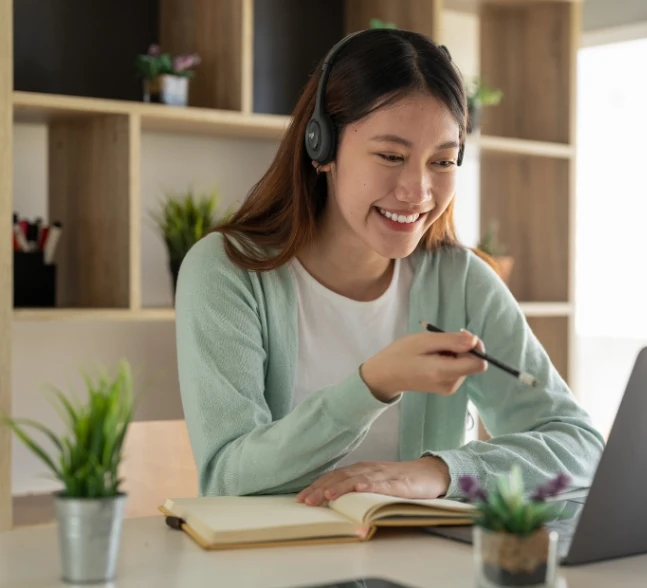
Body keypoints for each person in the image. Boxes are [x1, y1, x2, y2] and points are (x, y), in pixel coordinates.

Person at [173, 27, 605, 507]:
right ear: (322, 148)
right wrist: (373, 384)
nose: (418, 191)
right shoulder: (227, 273)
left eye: (442, 162)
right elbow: (228, 479)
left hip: (420, 570)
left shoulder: (460, 281)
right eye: (391, 156)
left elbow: (581, 446)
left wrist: (440, 472)